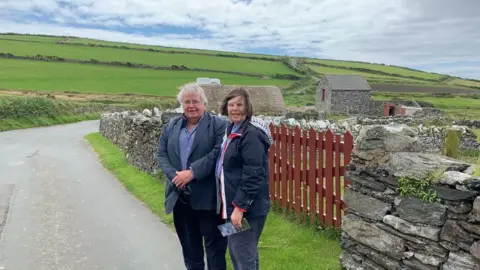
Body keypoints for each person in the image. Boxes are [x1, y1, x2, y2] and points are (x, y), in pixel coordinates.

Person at [156, 83, 228, 270]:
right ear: (181, 104)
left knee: (215, 248)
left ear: (204, 102)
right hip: (180, 197)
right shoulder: (171, 126)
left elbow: (218, 153)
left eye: (195, 101)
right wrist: (176, 177)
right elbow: (161, 154)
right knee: (190, 249)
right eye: (186, 102)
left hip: (209, 200)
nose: (191, 106)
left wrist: (192, 173)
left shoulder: (219, 125)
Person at [215, 87, 273, 270]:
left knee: (242, 255)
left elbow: (254, 174)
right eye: (231, 105)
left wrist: (239, 208)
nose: (235, 109)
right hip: (233, 205)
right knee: (241, 252)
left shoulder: (251, 135)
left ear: (248, 107)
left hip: (246, 208)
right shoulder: (233, 128)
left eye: (239, 104)